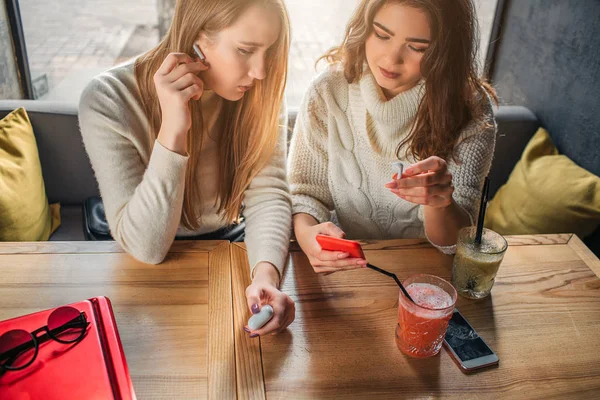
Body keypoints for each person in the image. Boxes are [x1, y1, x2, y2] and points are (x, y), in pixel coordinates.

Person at [79, 0, 295, 336]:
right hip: (145, 263)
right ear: (196, 39)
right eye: (244, 50)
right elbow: (147, 248)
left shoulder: (261, 91)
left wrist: (266, 276)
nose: (260, 72)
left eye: (269, 51)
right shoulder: (108, 99)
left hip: (231, 243)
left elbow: (268, 192)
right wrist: (173, 130)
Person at [289, 0, 497, 274]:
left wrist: (440, 203)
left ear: (445, 51)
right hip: (348, 272)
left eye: (417, 47)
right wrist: (307, 235)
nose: (390, 59)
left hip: (429, 275)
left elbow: (455, 243)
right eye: (382, 35)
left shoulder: (470, 109)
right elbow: (305, 194)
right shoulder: (328, 92)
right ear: (364, 28)